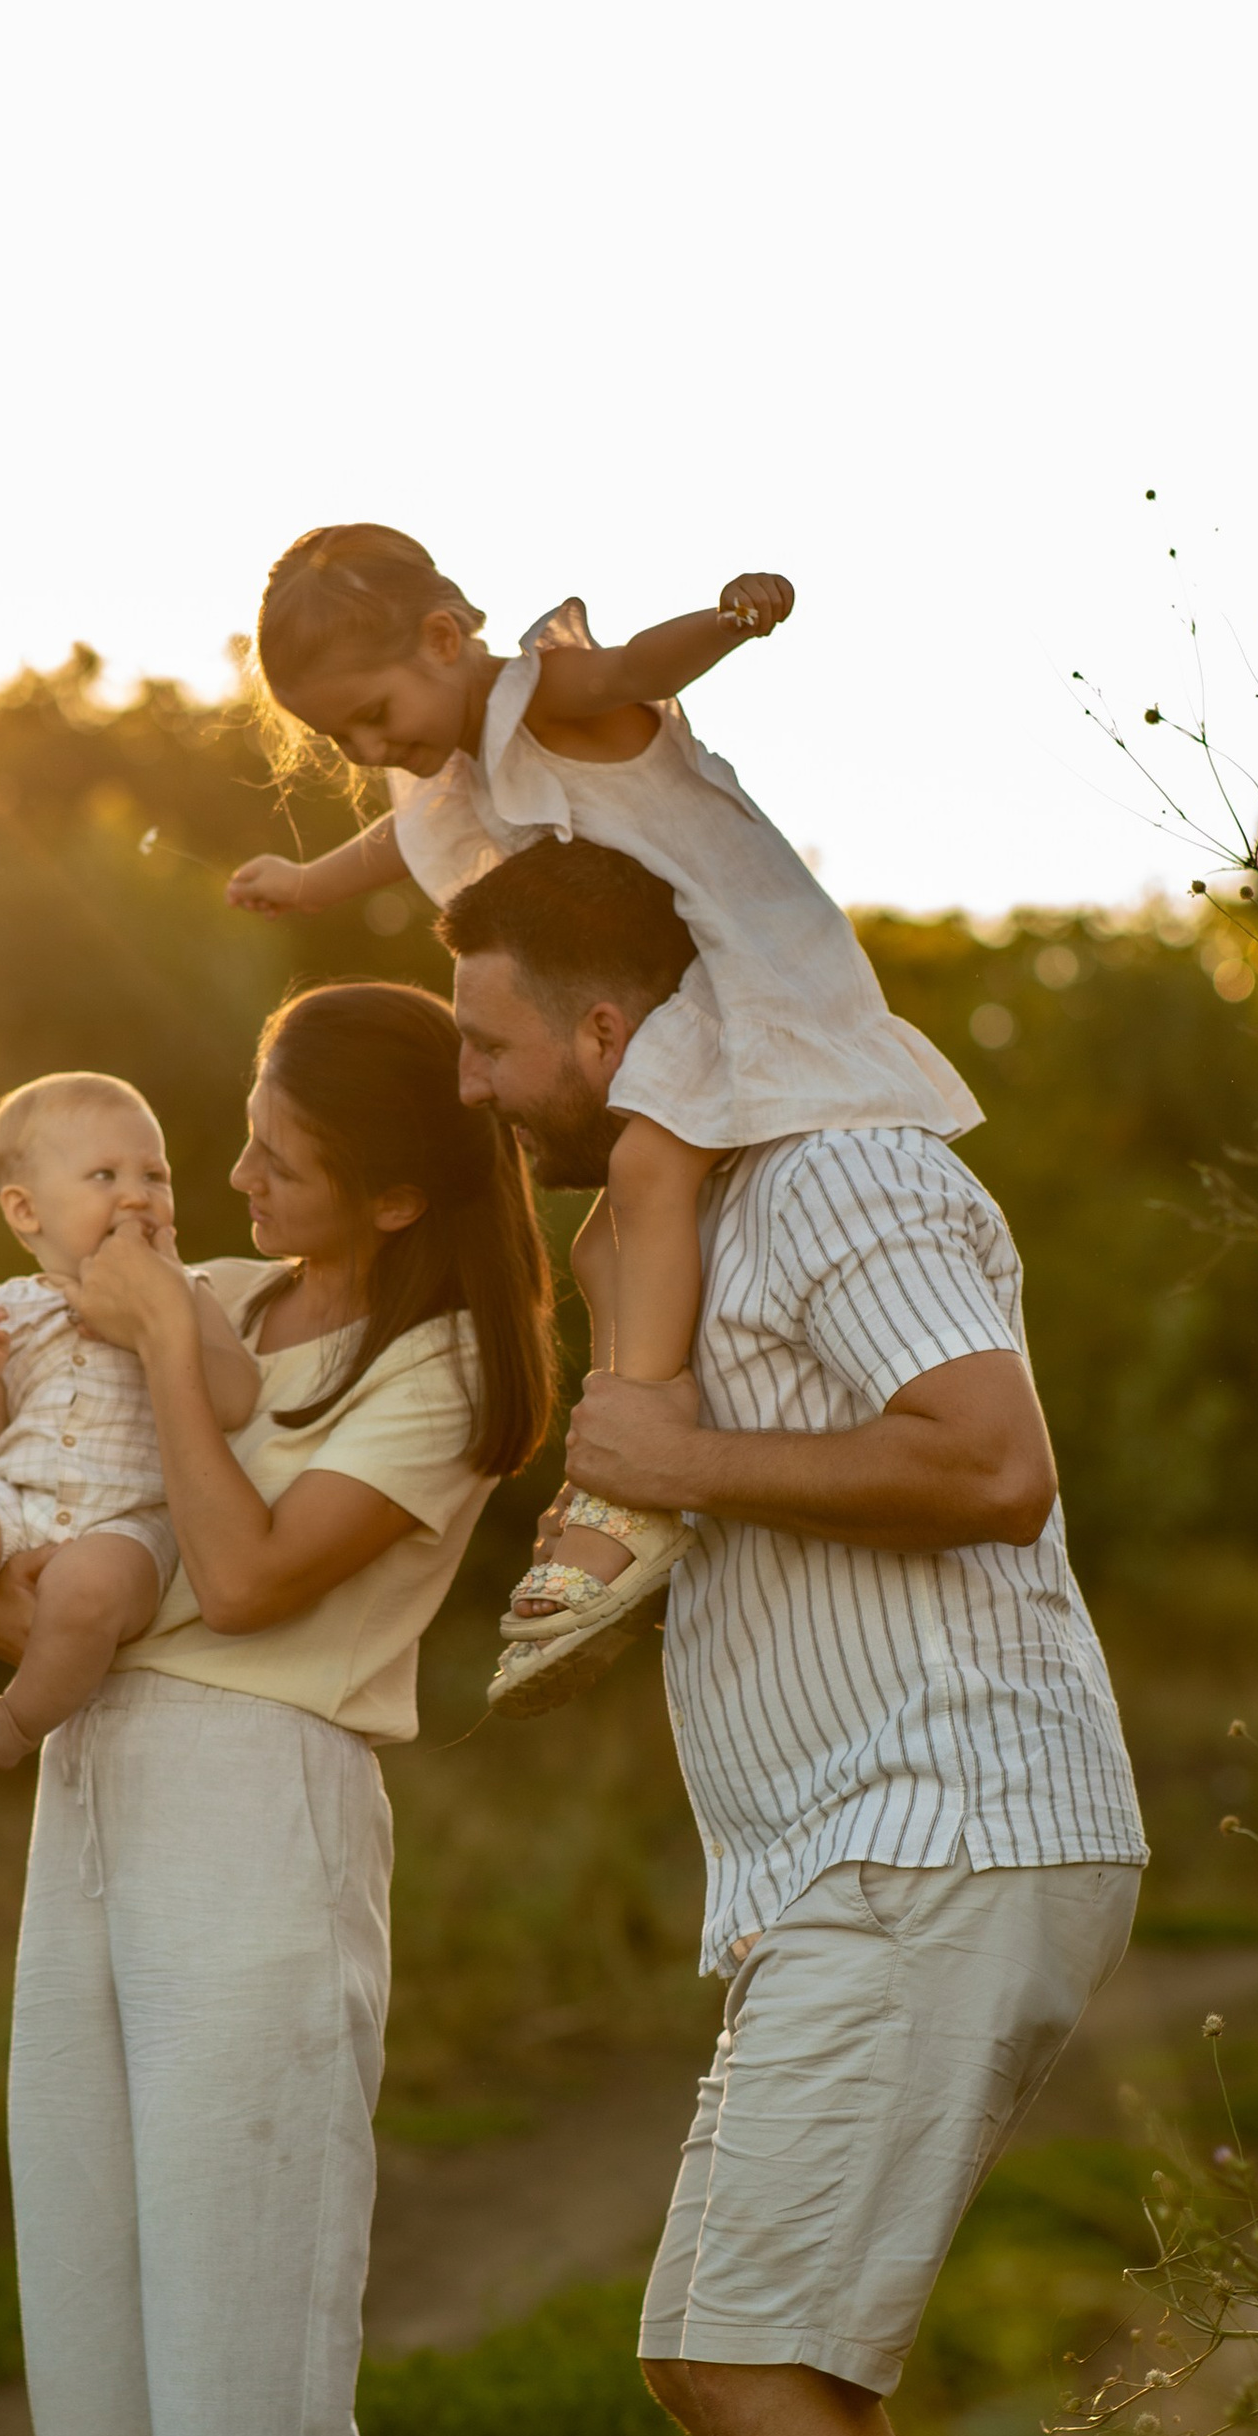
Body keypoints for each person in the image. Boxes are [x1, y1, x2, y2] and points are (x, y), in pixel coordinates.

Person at [442, 836, 1150, 2436]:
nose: (475, 1088)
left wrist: (682, 1455)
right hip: (867, 1843)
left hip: (938, 1821)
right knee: (751, 2356)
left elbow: (989, 1461)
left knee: (740, 2356)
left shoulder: (832, 1176)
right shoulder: (712, 1206)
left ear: (600, 1027)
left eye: (486, 1040)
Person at [0, 983, 553, 2436]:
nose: (226, 1182)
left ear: (396, 1186)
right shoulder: (205, 1285)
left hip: (261, 1814)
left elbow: (258, 1573)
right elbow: (50, 1544)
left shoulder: (448, 1368)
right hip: (95, 1789)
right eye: (234, 1137)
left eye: (279, 1158)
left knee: (245, 2354)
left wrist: (160, 1381)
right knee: (107, 2332)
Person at [225, 523, 980, 1712]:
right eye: (340, 736)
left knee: (647, 1173)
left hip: (744, 961)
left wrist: (731, 619)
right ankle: (626, 1459)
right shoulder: (449, 764)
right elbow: (400, 831)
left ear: (442, 638)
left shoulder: (547, 696)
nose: (371, 746)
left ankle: (640, 1466)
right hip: (663, 982)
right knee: (597, 1238)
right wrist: (309, 882)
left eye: (373, 710)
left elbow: (638, 669)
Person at [0, 1070, 259, 1765]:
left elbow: (235, 1400)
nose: (137, 1194)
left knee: (90, 1586)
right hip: (18, 1501)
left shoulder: (186, 1289)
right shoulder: (13, 1303)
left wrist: (163, 1317)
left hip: (128, 1524)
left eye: (155, 1175)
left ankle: (17, 1722)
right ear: (26, 1211)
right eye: (104, 1175)